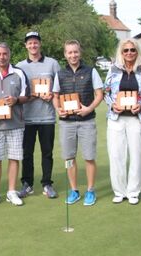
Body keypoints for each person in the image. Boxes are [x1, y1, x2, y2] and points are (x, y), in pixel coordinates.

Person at [53, 39, 103, 206]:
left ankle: (90, 190)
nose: (73, 55)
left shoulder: (91, 71)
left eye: (75, 52)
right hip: (66, 122)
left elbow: (99, 95)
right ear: (65, 54)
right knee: (69, 157)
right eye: (69, 52)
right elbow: (55, 96)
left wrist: (88, 109)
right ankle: (74, 190)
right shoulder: (60, 74)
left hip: (86, 121)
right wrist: (58, 109)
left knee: (89, 157)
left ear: (79, 52)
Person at [103, 38, 141, 205]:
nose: (129, 53)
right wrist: (112, 105)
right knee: (116, 155)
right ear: (121, 53)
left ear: (137, 52)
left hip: (137, 119)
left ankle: (133, 192)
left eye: (132, 50)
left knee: (136, 156)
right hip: (116, 118)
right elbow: (106, 91)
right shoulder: (114, 69)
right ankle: (119, 191)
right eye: (126, 50)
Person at [0, 42, 29, 208]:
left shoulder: (19, 73)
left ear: (9, 55)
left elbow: (26, 96)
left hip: (16, 124)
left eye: (5, 54)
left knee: (14, 158)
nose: (2, 57)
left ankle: (11, 191)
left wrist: (16, 100)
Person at [16, 31, 61, 199]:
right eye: (29, 43)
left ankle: (47, 183)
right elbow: (18, 92)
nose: (33, 45)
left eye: (35, 42)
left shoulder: (52, 64)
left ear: (39, 44)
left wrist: (52, 95)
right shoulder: (20, 66)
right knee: (27, 153)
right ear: (25, 45)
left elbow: (60, 86)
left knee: (47, 152)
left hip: (47, 117)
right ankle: (27, 184)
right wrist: (31, 96)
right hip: (26, 118)